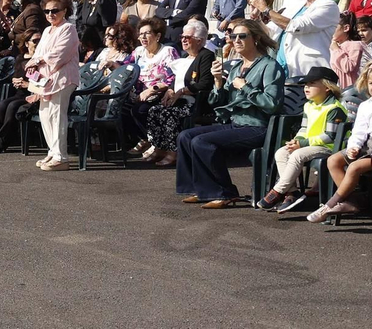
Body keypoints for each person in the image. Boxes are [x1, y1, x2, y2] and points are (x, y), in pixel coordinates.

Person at [174, 19, 284, 208]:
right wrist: (217, 82)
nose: (236, 40)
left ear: (256, 38)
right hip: (235, 124)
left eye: (242, 36)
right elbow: (217, 102)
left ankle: (224, 193)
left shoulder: (269, 66)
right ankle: (198, 189)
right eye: (233, 36)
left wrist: (246, 87)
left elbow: (272, 104)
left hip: (258, 126)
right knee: (185, 136)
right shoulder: (235, 68)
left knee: (202, 142)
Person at [308, 63, 372, 222]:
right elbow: (359, 131)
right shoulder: (366, 106)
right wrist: (353, 146)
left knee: (354, 167)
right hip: (370, 145)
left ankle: (330, 205)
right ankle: (353, 201)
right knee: (333, 160)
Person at [258, 67, 348, 212]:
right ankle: (292, 193)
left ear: (327, 87)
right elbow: (304, 129)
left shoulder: (334, 108)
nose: (306, 87)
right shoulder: (308, 105)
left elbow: (330, 137)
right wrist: (297, 140)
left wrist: (302, 144)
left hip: (330, 148)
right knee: (282, 152)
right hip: (311, 145)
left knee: (297, 154)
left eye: (312, 83)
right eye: (305, 84)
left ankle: (278, 191)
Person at [141, 18, 217, 165]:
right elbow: (176, 79)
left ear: (200, 40)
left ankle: (173, 151)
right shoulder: (184, 56)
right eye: (182, 37)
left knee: (169, 113)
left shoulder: (205, 55)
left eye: (187, 37)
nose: (183, 40)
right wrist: (170, 90)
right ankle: (159, 147)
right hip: (180, 100)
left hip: (196, 102)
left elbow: (205, 84)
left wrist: (182, 91)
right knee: (155, 110)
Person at [23, 0, 80, 171]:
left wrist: (38, 61)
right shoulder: (47, 30)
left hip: (63, 78)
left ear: (64, 11)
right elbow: (38, 52)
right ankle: (53, 151)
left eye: (54, 10)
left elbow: (60, 54)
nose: (50, 14)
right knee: (45, 115)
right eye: (47, 11)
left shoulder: (68, 28)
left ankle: (61, 157)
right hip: (46, 79)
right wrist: (34, 62)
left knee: (56, 115)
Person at [272, 0, 339, 79]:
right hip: (284, 67)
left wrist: (265, 9)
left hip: (309, 71)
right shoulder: (296, 5)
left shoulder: (329, 6)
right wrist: (256, 16)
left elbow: (297, 26)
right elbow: (270, 29)